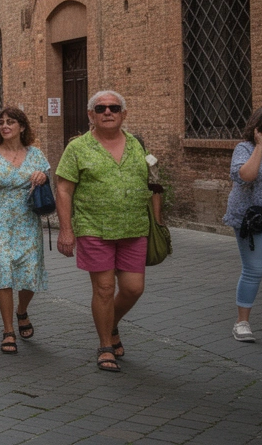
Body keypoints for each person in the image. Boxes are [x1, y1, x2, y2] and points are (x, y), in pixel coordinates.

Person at [55, 90, 158, 373]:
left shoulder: (137, 144)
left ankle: (110, 322)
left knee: (133, 288)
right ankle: (105, 345)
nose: (107, 112)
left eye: (114, 107)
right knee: (103, 288)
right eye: (101, 108)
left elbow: (153, 182)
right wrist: (66, 230)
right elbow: (63, 188)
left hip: (134, 227)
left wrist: (158, 221)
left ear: (124, 114)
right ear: (91, 115)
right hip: (93, 227)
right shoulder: (78, 148)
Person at [0, 107, 50, 354]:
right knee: (3, 267)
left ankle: (22, 311)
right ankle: (8, 330)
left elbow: (49, 180)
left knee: (29, 270)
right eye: (1, 123)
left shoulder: (36, 154)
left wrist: (42, 177)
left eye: (10, 122)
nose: (5, 126)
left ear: (22, 126)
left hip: (27, 216)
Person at [225, 106, 262, 342]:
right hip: (252, 222)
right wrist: (260, 147)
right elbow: (246, 176)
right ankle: (242, 323)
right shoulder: (245, 148)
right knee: (254, 271)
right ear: (260, 125)